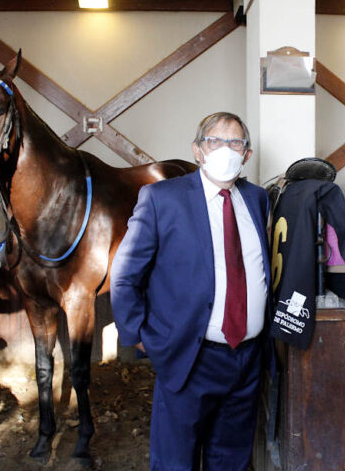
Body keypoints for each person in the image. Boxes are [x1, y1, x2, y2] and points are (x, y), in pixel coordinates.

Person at [110, 112, 270, 470]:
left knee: (231, 459)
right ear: (197, 150)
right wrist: (137, 334)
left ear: (247, 153)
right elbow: (124, 274)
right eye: (215, 141)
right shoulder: (161, 198)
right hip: (189, 356)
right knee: (176, 461)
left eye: (236, 142)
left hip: (246, 359)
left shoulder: (257, 200)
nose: (226, 150)